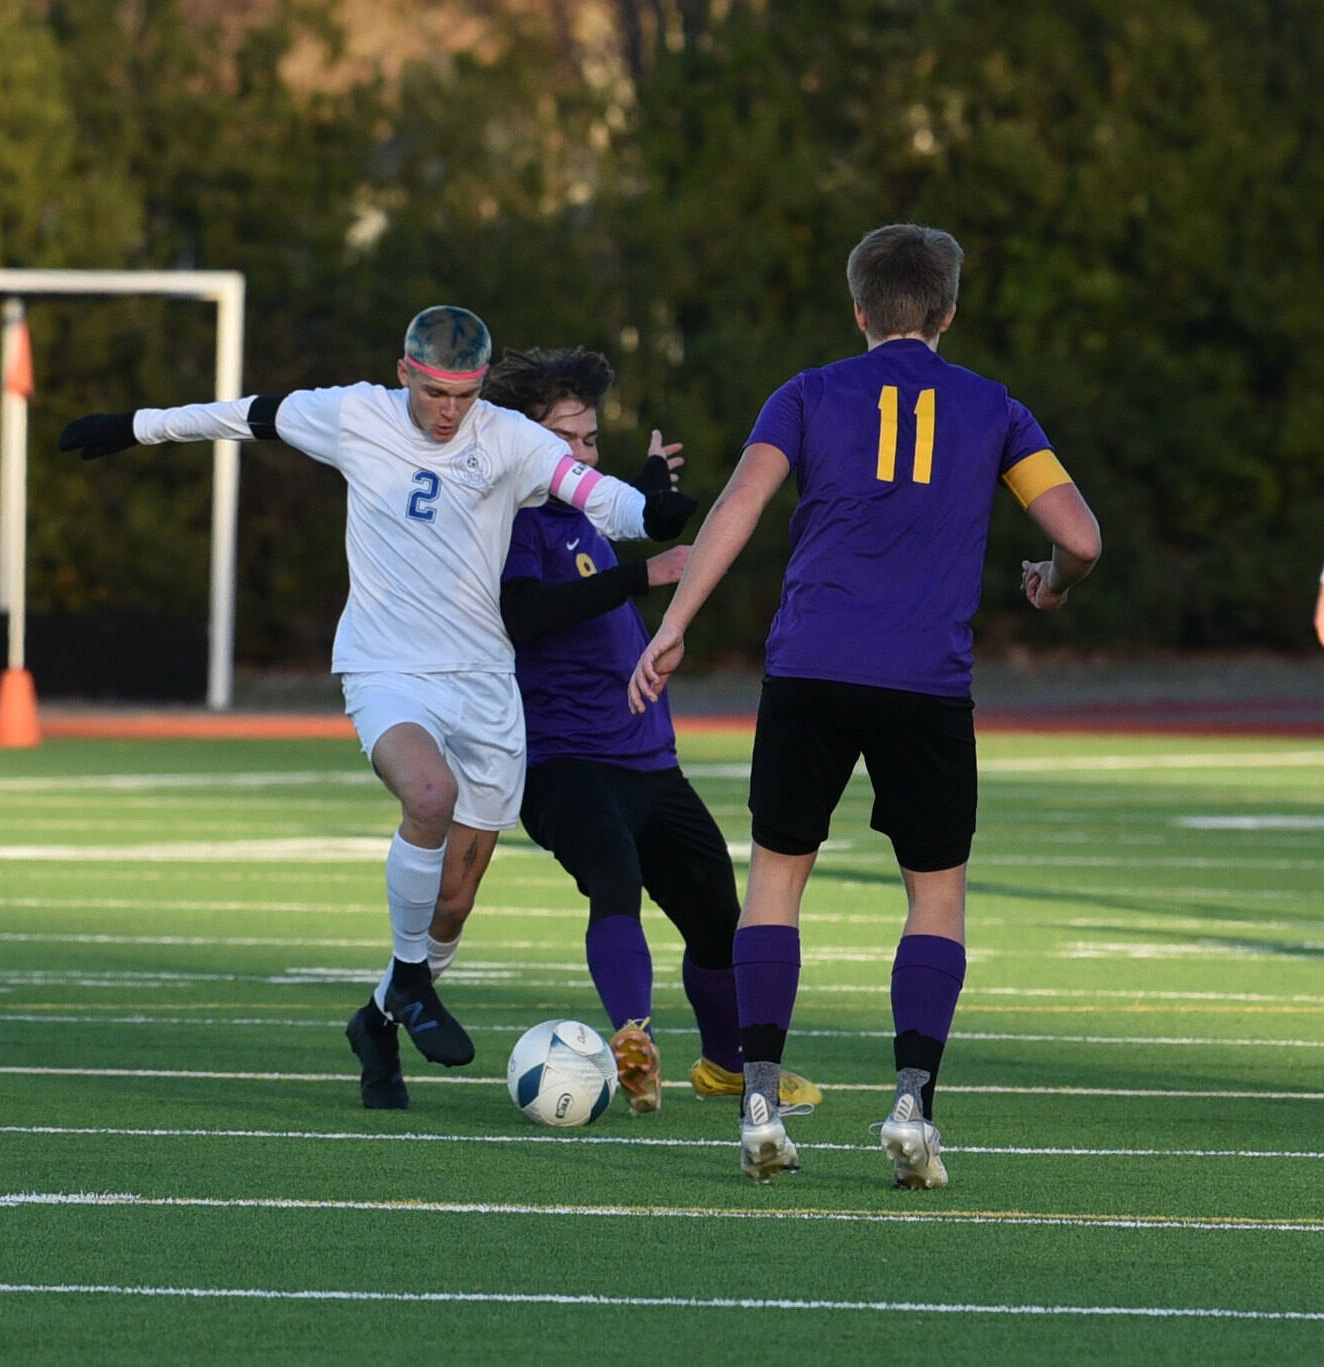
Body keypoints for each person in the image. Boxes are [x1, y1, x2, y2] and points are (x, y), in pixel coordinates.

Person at [60, 306, 695, 1109]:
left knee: (454, 906)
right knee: (429, 795)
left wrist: (654, 515)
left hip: (484, 685)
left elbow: (594, 494)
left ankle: (381, 1014)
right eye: (434, 393)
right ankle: (412, 988)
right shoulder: (354, 413)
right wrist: (134, 426)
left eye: (463, 396)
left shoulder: (506, 435)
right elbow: (248, 415)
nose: (449, 411)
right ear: (404, 373)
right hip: (387, 668)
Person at [629, 224, 1102, 1188]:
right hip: (925, 682)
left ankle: (758, 1096)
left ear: (859, 311)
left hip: (810, 666)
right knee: (934, 893)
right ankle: (912, 1107)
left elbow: (739, 505)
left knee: (777, 877)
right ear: (950, 311)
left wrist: (676, 619)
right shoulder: (995, 409)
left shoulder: (806, 394)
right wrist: (1051, 582)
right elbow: (1082, 537)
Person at [483, 346, 821, 1117]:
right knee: (615, 877)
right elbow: (526, 615)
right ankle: (633, 1038)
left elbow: (636, 531)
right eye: (564, 439)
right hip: (566, 762)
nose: (580, 455)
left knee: (718, 921)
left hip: (646, 759)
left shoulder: (579, 515)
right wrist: (647, 571)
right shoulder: (509, 522)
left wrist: (651, 495)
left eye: (590, 439)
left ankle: (726, 1065)